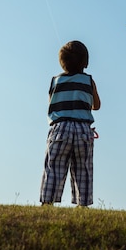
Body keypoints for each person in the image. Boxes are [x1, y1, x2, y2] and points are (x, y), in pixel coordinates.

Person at [40, 40, 101, 207]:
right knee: (83, 169)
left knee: (54, 167)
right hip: (83, 129)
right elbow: (97, 105)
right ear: (86, 62)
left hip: (60, 128)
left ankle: (47, 202)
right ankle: (83, 204)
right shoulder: (89, 81)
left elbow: (51, 102)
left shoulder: (55, 80)